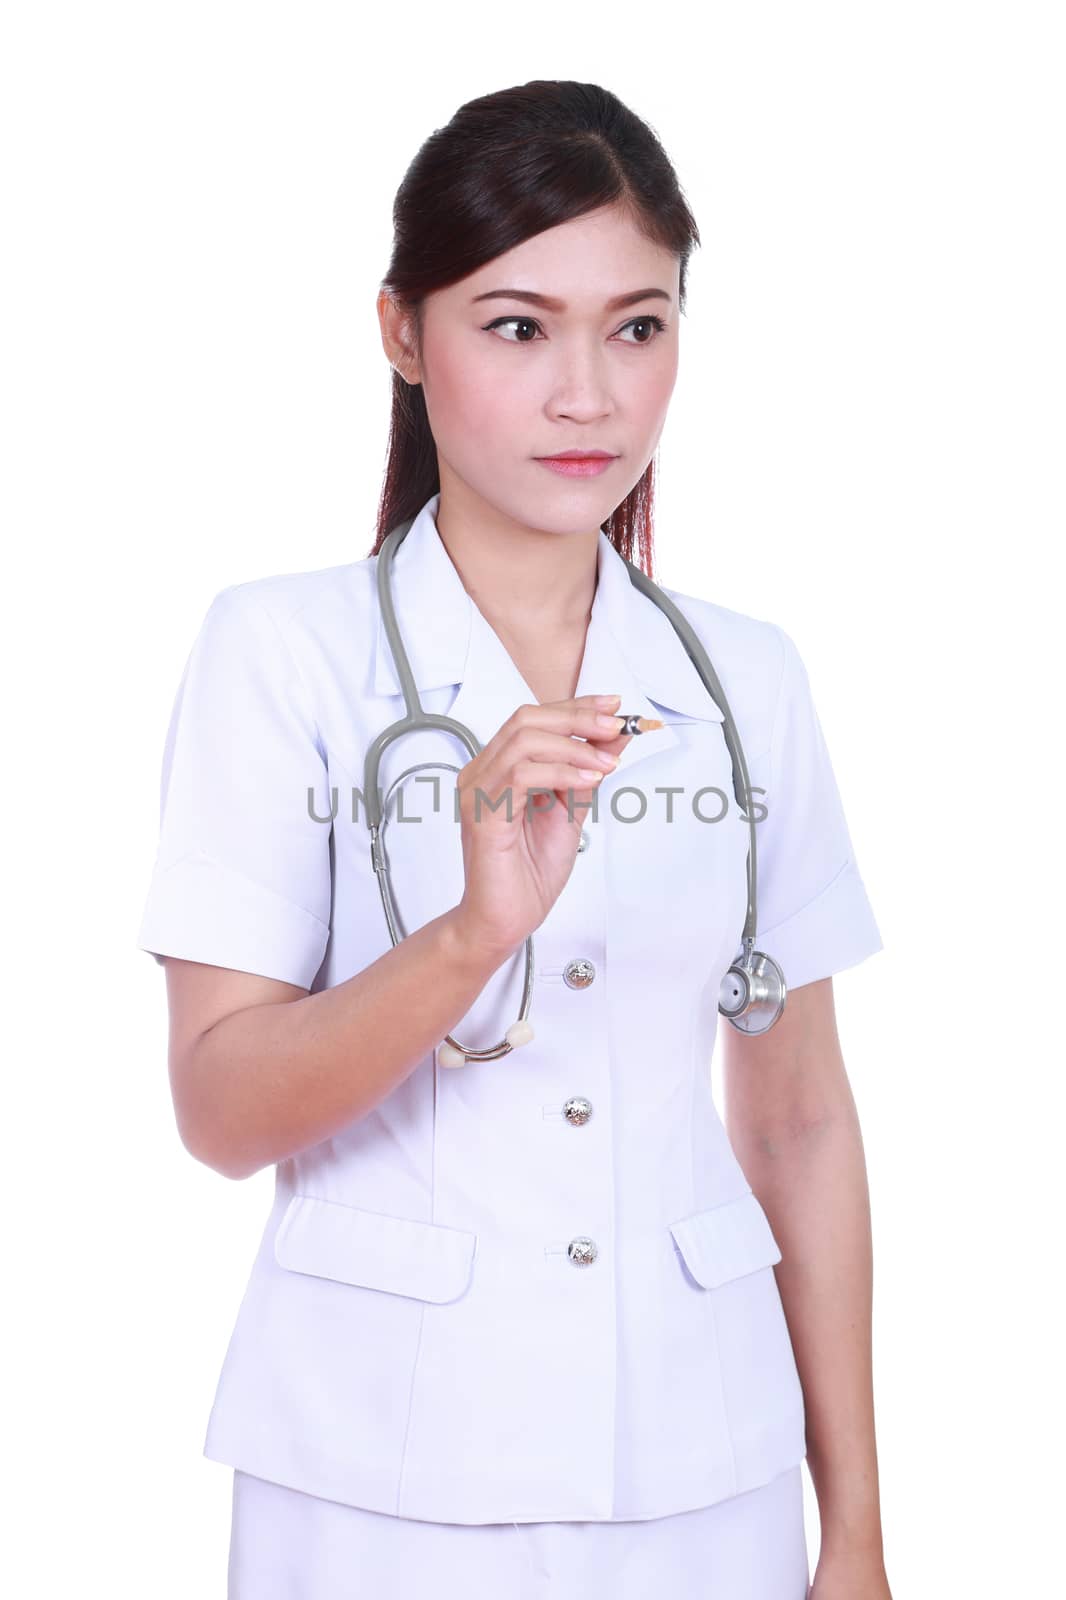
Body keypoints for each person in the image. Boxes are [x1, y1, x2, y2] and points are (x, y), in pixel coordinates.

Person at [136, 79, 892, 1600]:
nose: (588, 396)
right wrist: (472, 935)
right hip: (380, 1473)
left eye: (638, 326)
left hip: (704, 1466)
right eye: (515, 325)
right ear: (403, 334)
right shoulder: (281, 654)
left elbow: (798, 1120)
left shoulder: (746, 680)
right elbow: (221, 1113)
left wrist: (858, 1531)